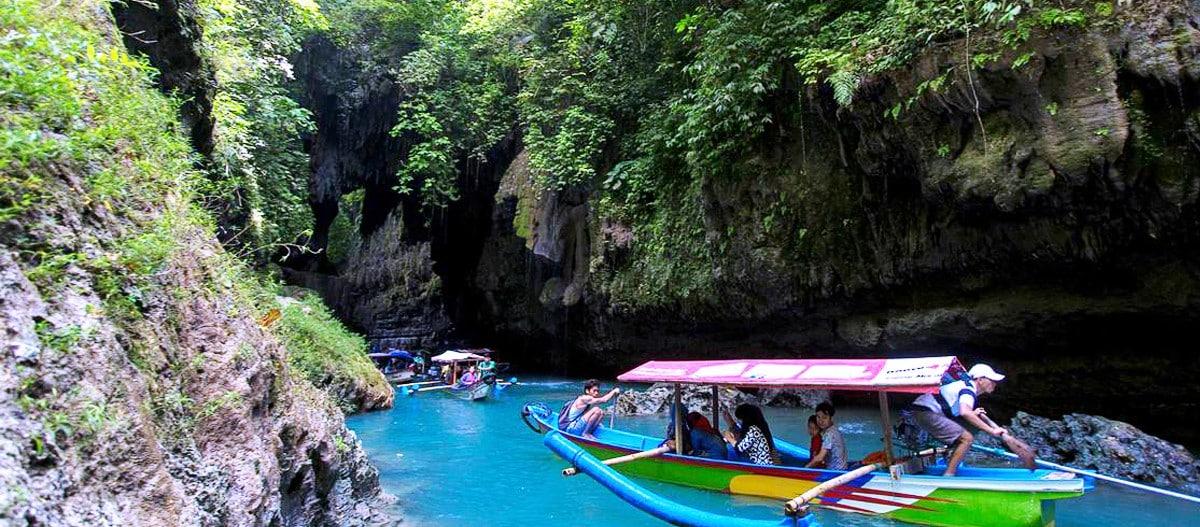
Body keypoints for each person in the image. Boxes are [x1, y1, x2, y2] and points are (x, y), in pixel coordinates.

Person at [910, 363, 1008, 477]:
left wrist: (973, 413)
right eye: (991, 380)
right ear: (980, 380)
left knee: (959, 438)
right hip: (927, 412)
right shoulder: (968, 390)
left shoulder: (965, 386)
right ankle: (948, 476)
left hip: (923, 411)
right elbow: (965, 412)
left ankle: (950, 466)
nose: (994, 384)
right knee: (966, 438)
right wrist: (992, 431)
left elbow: (955, 409)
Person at [805, 402, 848, 470]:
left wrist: (806, 468)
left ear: (831, 418)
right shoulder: (834, 429)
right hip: (842, 468)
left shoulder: (829, 434)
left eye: (824, 418)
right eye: (818, 417)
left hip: (835, 471)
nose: (820, 421)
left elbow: (820, 458)